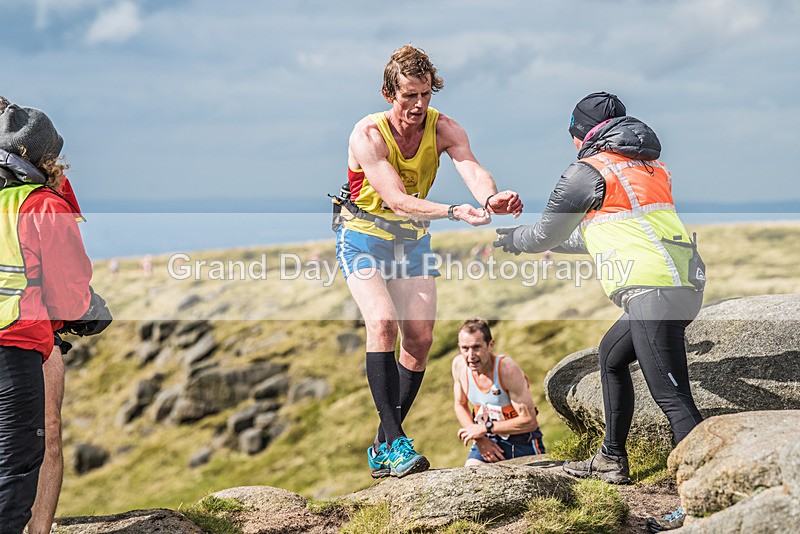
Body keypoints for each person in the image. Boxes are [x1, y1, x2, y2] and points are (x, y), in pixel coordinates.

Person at [494, 92, 705, 531]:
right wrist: (543, 244)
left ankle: (701, 501)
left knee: (673, 399)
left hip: (652, 290)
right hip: (680, 281)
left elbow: (544, 232)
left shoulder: (587, 170)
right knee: (611, 356)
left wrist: (518, 240)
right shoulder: (646, 166)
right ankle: (611, 458)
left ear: (580, 134)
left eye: (572, 136)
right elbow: (611, 231)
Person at [335, 45, 523, 478]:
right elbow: (397, 200)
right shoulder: (368, 135)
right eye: (409, 97)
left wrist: (490, 197)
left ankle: (383, 444)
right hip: (362, 238)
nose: (419, 105)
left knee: (418, 340)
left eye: (425, 95)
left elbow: (471, 167)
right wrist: (455, 212)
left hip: (410, 243)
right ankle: (397, 442)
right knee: (382, 323)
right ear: (388, 94)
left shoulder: (445, 128)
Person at [0, 97, 111, 533]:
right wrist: (84, 309)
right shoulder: (41, 196)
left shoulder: (44, 191)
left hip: (35, 330)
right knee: (16, 456)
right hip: (19, 335)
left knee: (40, 434)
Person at [452, 318, 545, 465]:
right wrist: (480, 439)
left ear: (490, 345)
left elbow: (530, 421)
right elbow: (460, 404)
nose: (470, 355)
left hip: (521, 440)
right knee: (471, 474)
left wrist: (485, 428)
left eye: (476, 347)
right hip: (487, 439)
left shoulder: (506, 369)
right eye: (465, 348)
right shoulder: (459, 366)